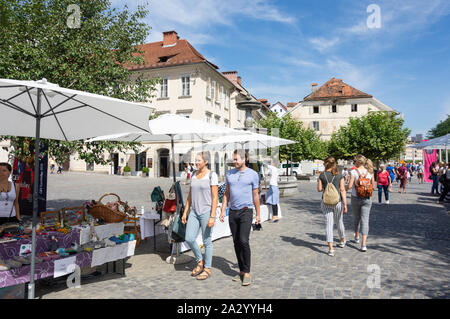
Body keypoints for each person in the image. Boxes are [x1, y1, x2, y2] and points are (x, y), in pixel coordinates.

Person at [219, 149, 260, 286]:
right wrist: (222, 209)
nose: (234, 161)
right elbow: (226, 193)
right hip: (233, 212)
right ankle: (241, 271)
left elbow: (255, 195)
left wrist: (258, 214)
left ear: (244, 159)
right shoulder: (230, 174)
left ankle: (247, 272)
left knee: (243, 240)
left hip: (246, 211)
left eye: (237, 159)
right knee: (236, 242)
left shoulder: (253, 175)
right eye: (234, 159)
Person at [182, 152, 219, 281]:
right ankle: (200, 260)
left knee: (207, 240)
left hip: (206, 212)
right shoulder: (193, 175)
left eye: (199, 160)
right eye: (195, 160)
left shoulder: (212, 176)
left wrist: (212, 216)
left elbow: (215, 198)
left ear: (206, 162)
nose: (196, 163)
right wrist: (185, 212)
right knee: (189, 238)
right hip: (194, 212)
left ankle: (207, 268)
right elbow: (190, 196)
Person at [317, 157, 347, 257]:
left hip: (326, 202)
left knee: (328, 224)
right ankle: (342, 240)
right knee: (339, 221)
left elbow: (319, 189)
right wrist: (345, 204)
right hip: (337, 202)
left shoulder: (322, 175)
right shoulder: (339, 175)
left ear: (326, 164)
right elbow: (342, 190)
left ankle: (331, 248)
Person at [347, 155, 375, 252]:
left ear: (358, 162)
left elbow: (350, 186)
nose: (354, 162)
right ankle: (363, 244)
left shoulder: (353, 172)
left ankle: (357, 236)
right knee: (365, 220)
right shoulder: (370, 172)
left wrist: (344, 187)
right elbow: (373, 186)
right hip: (367, 198)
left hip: (355, 197)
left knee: (356, 218)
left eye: (355, 161)